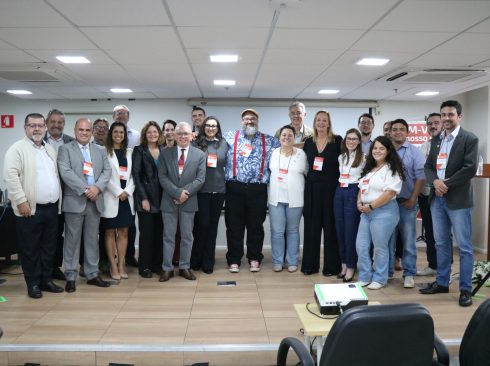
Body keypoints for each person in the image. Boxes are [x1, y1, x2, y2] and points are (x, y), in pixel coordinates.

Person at [420, 100, 478, 307]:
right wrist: (435, 181)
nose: (446, 118)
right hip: (437, 199)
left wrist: (446, 184)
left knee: (464, 247)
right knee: (441, 243)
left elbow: (470, 168)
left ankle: (465, 289)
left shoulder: (469, 139)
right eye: (443, 114)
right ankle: (442, 282)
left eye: (450, 115)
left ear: (459, 116)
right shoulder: (436, 140)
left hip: (458, 200)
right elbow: (428, 166)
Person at [4, 113, 64, 298]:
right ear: (25, 128)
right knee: (30, 249)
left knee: (48, 247)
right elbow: (11, 176)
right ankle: (33, 284)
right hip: (29, 209)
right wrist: (21, 201)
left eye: (40, 125)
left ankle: (45, 280)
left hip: (51, 208)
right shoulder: (17, 149)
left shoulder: (48, 149)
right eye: (32, 125)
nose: (36, 129)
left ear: (45, 127)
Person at [57, 118, 112, 293]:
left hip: (95, 201)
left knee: (92, 240)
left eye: (88, 130)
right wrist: (85, 189)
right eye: (81, 130)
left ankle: (92, 274)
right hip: (75, 201)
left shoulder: (100, 150)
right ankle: (71, 276)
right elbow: (65, 172)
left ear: (92, 132)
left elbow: (107, 171)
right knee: (72, 241)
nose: (84, 133)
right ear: (75, 130)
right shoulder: (65, 149)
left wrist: (97, 188)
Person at [224, 109, 280, 273]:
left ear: (257, 121)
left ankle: (254, 258)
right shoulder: (228, 137)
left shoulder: (269, 140)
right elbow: (210, 141)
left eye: (253, 118)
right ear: (242, 121)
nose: (250, 121)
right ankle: (234, 259)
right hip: (235, 188)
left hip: (258, 189)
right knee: (234, 226)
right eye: (246, 118)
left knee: (256, 226)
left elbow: (288, 145)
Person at [158, 122, 206, 282]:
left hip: (189, 201)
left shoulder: (199, 154)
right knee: (168, 236)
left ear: (192, 136)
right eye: (179, 134)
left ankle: (185, 267)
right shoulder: (165, 153)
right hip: (169, 201)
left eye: (186, 133)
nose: (183, 136)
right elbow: (162, 177)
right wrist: (177, 193)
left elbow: (200, 179)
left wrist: (185, 194)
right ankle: (167, 269)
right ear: (174, 136)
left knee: (187, 237)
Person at [356, 136, 404, 290]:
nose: (377, 151)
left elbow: (390, 193)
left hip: (384, 212)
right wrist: (360, 202)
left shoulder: (392, 169)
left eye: (381, 148)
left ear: (388, 151)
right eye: (375, 148)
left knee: (380, 247)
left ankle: (380, 278)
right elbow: (361, 187)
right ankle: (365, 276)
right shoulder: (370, 167)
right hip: (366, 212)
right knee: (361, 246)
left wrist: (371, 206)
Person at [301, 110, 342, 276]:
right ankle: (310, 266)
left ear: (329, 123)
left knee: (331, 229)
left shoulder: (338, 141)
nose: (321, 123)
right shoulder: (308, 142)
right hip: (311, 190)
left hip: (331, 190)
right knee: (312, 228)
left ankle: (331, 267)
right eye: (318, 120)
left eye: (324, 120)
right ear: (314, 122)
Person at [388, 119, 426, 288]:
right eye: (394, 129)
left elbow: (421, 177)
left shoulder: (414, 152)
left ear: (407, 132)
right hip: (386, 204)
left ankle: (409, 273)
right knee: (387, 240)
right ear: (390, 132)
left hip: (406, 203)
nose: (397, 132)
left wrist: (413, 198)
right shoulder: (385, 150)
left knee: (409, 240)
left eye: (401, 129)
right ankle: (387, 272)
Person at [190, 116, 228, 274]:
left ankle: (208, 262)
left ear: (218, 128)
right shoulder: (195, 143)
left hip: (218, 191)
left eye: (214, 126)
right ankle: (196, 259)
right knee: (201, 226)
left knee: (212, 227)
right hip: (201, 191)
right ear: (203, 127)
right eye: (208, 125)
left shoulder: (224, 144)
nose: (211, 128)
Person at [268, 125, 307, 273]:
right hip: (275, 199)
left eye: (290, 135)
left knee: (292, 230)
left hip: (295, 199)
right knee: (277, 232)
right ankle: (278, 261)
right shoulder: (273, 153)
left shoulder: (302, 154)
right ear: (279, 138)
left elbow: (307, 172)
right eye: (284, 135)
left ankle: (292, 261)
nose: (287, 138)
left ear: (294, 137)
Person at [100, 122, 135, 280]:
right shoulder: (103, 152)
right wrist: (118, 191)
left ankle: (121, 264)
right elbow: (102, 176)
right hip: (110, 196)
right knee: (109, 233)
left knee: (124, 232)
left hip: (127, 198)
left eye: (121, 132)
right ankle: (112, 265)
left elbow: (135, 175)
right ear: (111, 133)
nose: (118, 135)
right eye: (115, 132)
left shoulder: (130, 152)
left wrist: (127, 191)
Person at [43, 108, 75, 281]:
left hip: (67, 197)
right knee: (47, 236)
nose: (56, 125)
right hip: (46, 197)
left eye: (60, 122)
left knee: (60, 235)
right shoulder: (39, 142)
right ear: (47, 123)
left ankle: (55, 267)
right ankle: (44, 270)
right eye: (53, 122)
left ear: (64, 124)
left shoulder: (71, 142)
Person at [132, 121, 164, 278]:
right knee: (146, 234)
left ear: (159, 134)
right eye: (149, 132)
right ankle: (144, 266)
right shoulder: (139, 150)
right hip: (145, 198)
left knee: (159, 233)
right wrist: (143, 198)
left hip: (163, 198)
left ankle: (157, 265)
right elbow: (136, 175)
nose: (153, 134)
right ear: (145, 135)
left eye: (155, 132)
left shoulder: (164, 149)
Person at [333, 128, 365, 282]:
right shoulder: (341, 157)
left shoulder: (364, 158)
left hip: (353, 192)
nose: (351, 141)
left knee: (350, 231)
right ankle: (344, 263)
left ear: (359, 142)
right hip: (340, 191)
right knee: (340, 230)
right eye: (348, 138)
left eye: (354, 139)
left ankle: (352, 266)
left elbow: (365, 180)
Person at [112, 105, 139, 267]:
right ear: (113, 116)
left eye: (124, 114)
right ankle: (110, 260)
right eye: (118, 114)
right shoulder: (109, 137)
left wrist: (128, 190)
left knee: (129, 227)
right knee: (109, 229)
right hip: (111, 191)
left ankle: (128, 256)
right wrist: (116, 190)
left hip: (130, 190)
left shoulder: (136, 135)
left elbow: (136, 165)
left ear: (128, 116)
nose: (121, 116)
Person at [417, 113, 442, 276]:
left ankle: (444, 270)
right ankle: (433, 265)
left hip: (441, 195)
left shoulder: (447, 145)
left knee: (442, 234)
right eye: (429, 124)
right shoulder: (424, 145)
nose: (432, 126)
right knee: (430, 233)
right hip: (425, 195)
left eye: (436, 123)